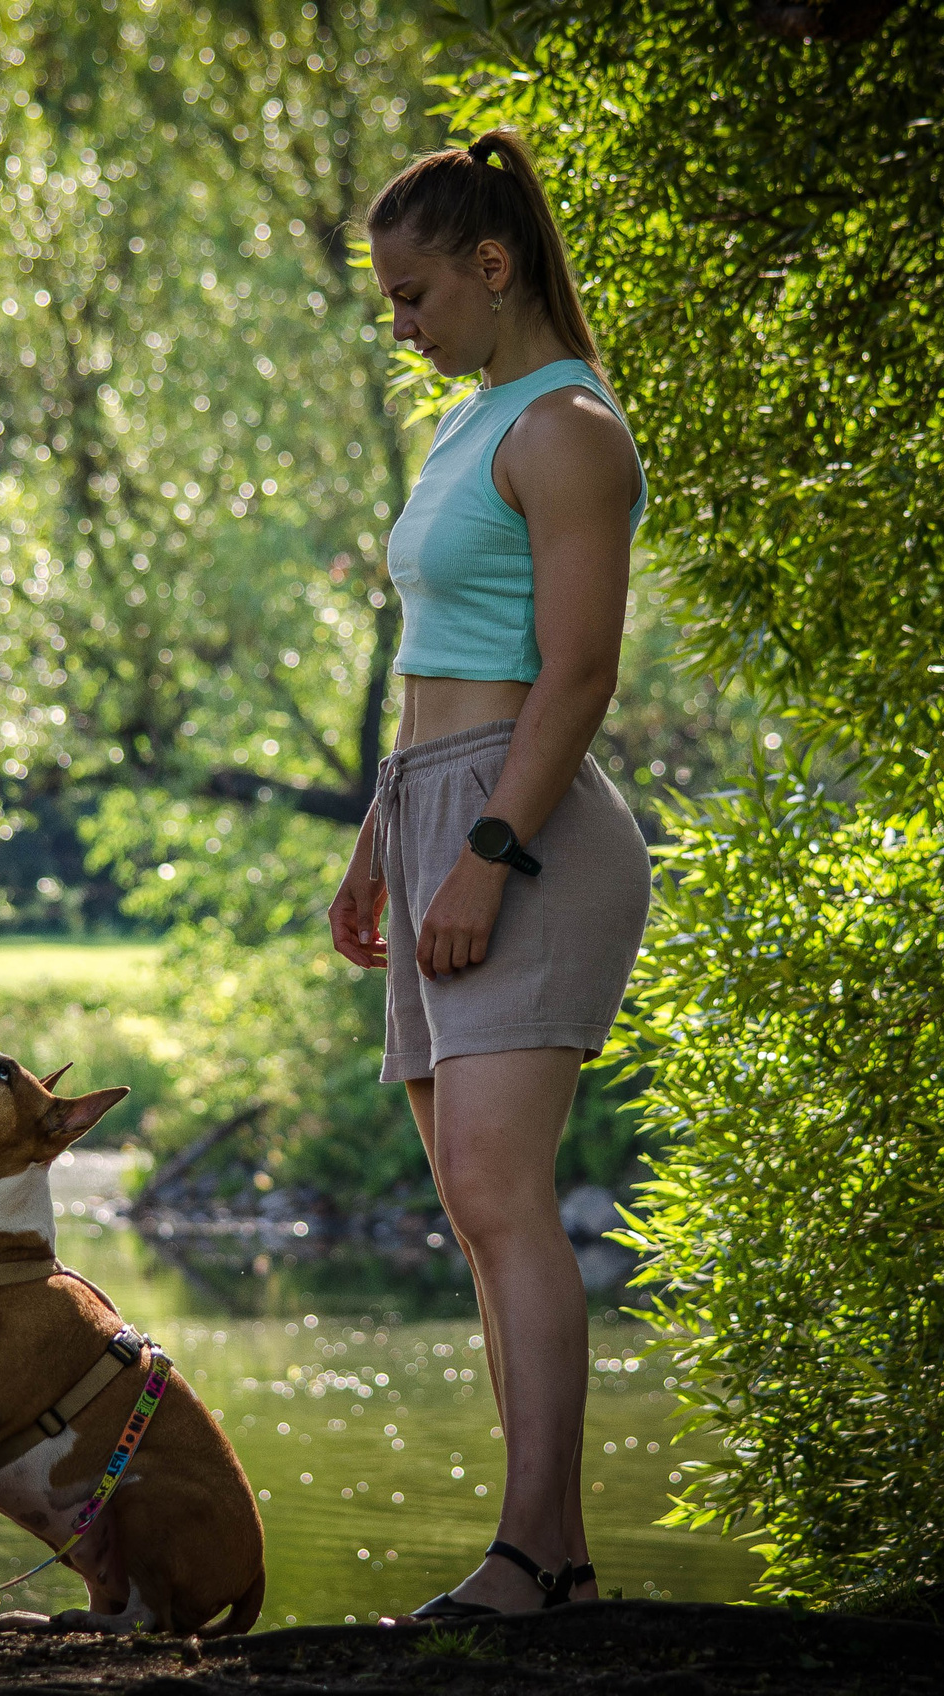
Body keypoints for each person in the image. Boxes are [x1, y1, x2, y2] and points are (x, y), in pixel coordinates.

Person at [328, 130, 651, 1618]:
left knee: (496, 1189)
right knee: (476, 1208)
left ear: (492, 264)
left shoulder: (569, 428)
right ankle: (553, 1557)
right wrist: (378, 846)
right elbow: (431, 661)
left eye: (413, 295)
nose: (401, 323)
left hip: (523, 825)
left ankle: (525, 1555)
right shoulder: (473, 423)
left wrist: (485, 855)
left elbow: (576, 673)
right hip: (431, 810)